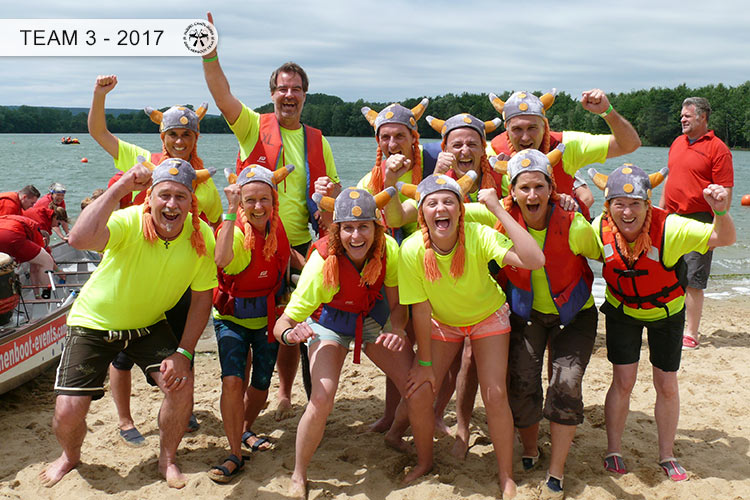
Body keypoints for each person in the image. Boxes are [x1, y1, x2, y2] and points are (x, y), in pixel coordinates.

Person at [39, 158, 217, 489]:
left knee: (182, 386)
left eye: (181, 197)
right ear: (149, 198)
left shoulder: (200, 234)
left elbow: (203, 297)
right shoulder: (130, 221)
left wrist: (185, 352)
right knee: (68, 412)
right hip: (94, 322)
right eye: (164, 195)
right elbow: (78, 239)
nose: (171, 204)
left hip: (148, 324)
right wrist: (121, 188)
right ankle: (70, 455)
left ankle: (168, 458)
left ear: (192, 203)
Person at [202, 11, 341, 419]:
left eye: (296, 89)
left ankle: (288, 393)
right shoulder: (252, 126)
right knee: (246, 324)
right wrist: (210, 54)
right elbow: (222, 93)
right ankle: (250, 395)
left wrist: (329, 195)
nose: (289, 95)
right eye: (282, 89)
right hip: (254, 241)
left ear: (304, 96)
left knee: (295, 322)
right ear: (273, 94)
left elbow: (332, 196)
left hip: (301, 245)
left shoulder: (319, 140)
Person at [272, 186, 435, 498]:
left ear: (377, 227)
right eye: (348, 228)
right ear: (338, 230)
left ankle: (418, 456)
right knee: (322, 398)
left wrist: (398, 328)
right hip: (328, 321)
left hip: (370, 318)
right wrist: (292, 335)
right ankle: (298, 473)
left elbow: (397, 303)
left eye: (364, 227)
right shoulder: (321, 261)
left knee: (419, 388)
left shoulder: (388, 248)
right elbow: (284, 322)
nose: (356, 236)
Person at [395, 172, 545, 499]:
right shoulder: (410, 249)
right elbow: (419, 310)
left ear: (461, 210)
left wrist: (499, 210)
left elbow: (535, 259)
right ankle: (421, 459)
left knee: (494, 394)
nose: (440, 208)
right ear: (422, 213)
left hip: (487, 317)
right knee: (420, 389)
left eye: (449, 201)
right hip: (444, 322)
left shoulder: (478, 234)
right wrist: (423, 362)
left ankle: (506, 476)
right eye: (431, 203)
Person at [88, 74, 221, 443]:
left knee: (180, 345)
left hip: (176, 275)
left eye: (187, 135)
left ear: (196, 138)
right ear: (162, 137)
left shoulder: (203, 182)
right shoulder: (141, 160)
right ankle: (126, 419)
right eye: (172, 135)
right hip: (132, 268)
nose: (179, 141)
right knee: (122, 353)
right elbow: (99, 132)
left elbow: (210, 228)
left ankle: (181, 406)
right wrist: (100, 95)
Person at [588, 163, 735, 482]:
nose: (627, 212)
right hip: (622, 310)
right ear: (608, 204)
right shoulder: (597, 228)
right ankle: (614, 449)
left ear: (647, 203)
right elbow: (563, 243)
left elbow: (723, 239)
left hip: (666, 314)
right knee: (623, 381)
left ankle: (667, 454)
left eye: (635, 204)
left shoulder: (670, 229)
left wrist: (720, 212)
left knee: (666, 384)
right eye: (619, 204)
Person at [485, 148, 600, 498]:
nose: (532, 195)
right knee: (521, 380)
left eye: (539, 186)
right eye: (524, 188)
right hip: (526, 313)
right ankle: (532, 448)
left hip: (574, 315)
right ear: (513, 192)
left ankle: (557, 469)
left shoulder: (574, 223)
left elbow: (605, 252)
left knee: (566, 383)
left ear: (552, 189)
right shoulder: (502, 222)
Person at [208, 164, 295, 483]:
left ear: (273, 200)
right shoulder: (234, 228)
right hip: (231, 316)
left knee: (261, 382)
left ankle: (244, 428)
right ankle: (234, 451)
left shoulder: (278, 226)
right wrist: (229, 210)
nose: (258, 207)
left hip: (268, 316)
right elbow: (221, 259)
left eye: (264, 200)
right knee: (232, 381)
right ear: (241, 203)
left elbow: (287, 259)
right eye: (249, 201)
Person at [488, 88, 641, 219]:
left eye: (532, 128)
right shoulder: (494, 151)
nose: (526, 137)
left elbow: (629, 144)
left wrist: (607, 112)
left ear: (544, 125)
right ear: (506, 128)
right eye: (517, 129)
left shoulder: (567, 145)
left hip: (562, 236)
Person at [658, 97, 734, 350]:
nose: (682, 119)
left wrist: (718, 225)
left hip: (700, 221)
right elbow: (670, 182)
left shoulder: (718, 149)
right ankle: (669, 324)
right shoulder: (677, 143)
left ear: (702, 117)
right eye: (682, 115)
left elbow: (725, 192)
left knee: (693, 280)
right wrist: (659, 212)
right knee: (668, 274)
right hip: (671, 217)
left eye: (688, 115)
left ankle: (691, 333)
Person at [427, 112, 504, 200]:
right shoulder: (444, 182)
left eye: (472, 144)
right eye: (457, 145)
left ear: (483, 149)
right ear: (445, 150)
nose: (465, 151)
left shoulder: (501, 176)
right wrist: (436, 175)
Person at [0, 214, 55, 291]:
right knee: (46, 260)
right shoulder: (37, 231)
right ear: (44, 239)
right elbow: (39, 262)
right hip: (11, 234)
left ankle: (37, 296)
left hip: (5, 228)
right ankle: (48, 296)